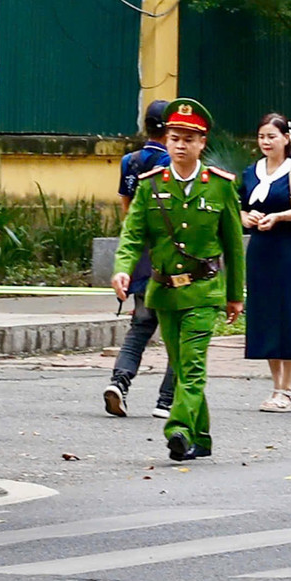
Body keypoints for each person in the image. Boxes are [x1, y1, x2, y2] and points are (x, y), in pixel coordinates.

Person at [111, 99, 244, 462]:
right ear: (165, 140)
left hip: (203, 291)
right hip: (164, 291)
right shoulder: (150, 185)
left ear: (203, 143)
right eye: (175, 137)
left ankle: (178, 429)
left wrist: (235, 295)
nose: (181, 145)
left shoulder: (219, 186)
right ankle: (201, 437)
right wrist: (122, 267)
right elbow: (133, 234)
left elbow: (233, 246)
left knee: (193, 362)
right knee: (182, 363)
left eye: (189, 138)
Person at [241, 114, 291, 412]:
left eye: (272, 136)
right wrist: (246, 217)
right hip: (260, 250)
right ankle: (275, 384)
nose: (266, 141)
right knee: (264, 316)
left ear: (286, 138)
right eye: (262, 136)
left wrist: (280, 216)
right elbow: (239, 207)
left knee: (287, 314)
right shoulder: (251, 172)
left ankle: (287, 388)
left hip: (286, 249)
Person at [103, 100, 177, 420]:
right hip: (171, 259)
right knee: (178, 330)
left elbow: (126, 208)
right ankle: (166, 400)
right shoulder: (175, 165)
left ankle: (119, 382)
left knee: (140, 326)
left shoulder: (128, 161)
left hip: (140, 258)